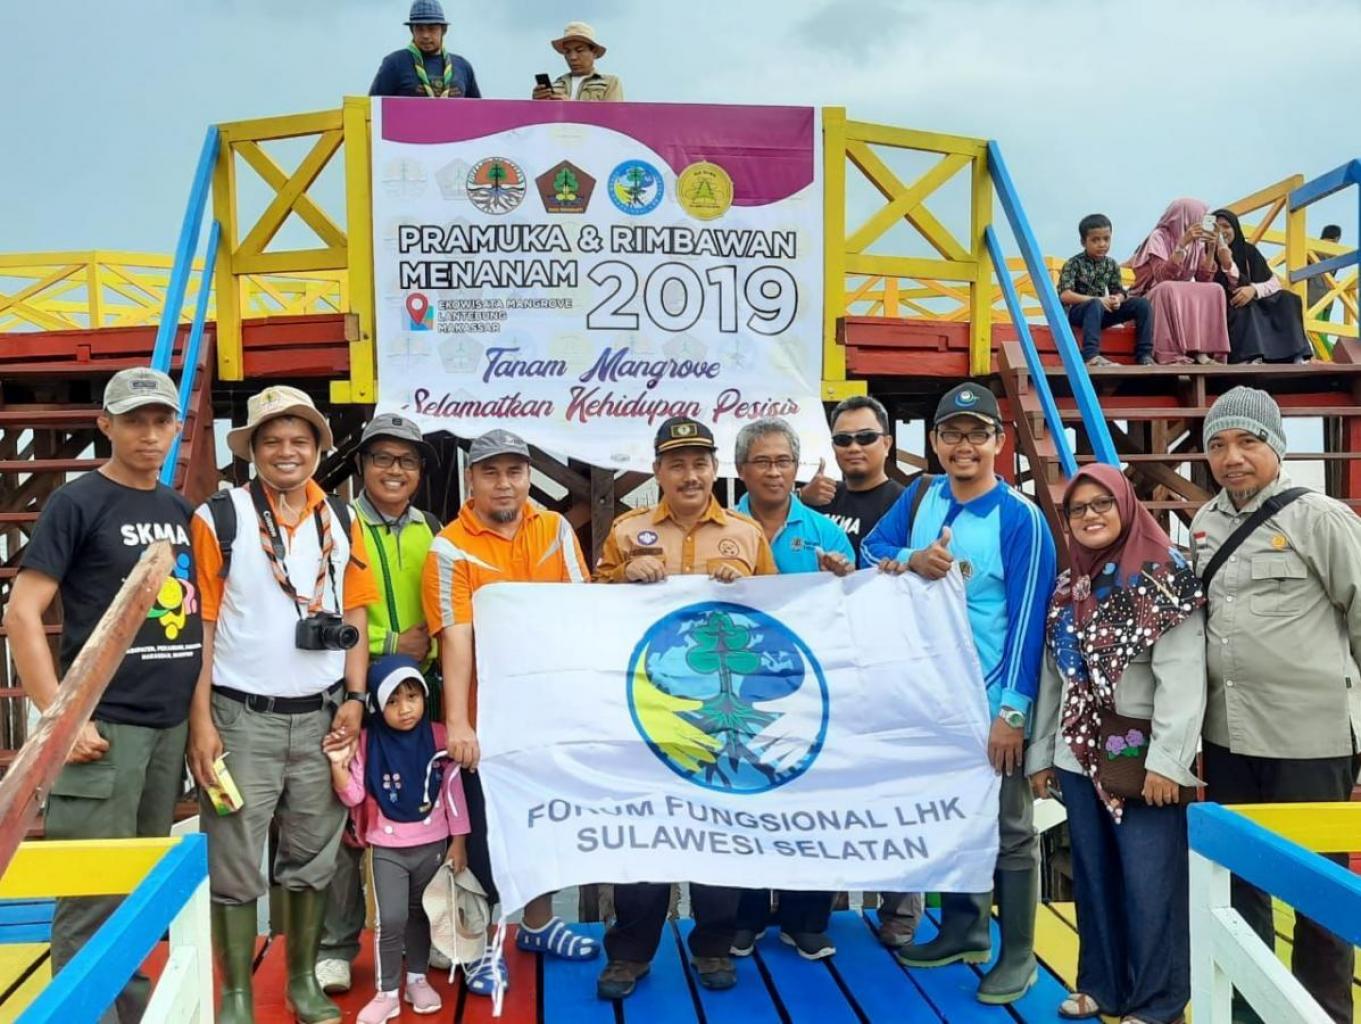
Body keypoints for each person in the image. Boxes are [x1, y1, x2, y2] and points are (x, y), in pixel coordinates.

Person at [3, 368, 202, 1024]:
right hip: (103, 728)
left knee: (139, 892)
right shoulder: (78, 502)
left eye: (161, 421)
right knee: (91, 896)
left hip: (167, 728)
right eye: (134, 421)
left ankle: (130, 1011)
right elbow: (22, 613)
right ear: (105, 425)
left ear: (176, 427)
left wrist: (197, 725)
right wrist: (60, 718)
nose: (149, 434)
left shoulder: (177, 509)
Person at [186, 385, 378, 1024]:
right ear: (252, 450)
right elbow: (203, 627)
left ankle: (302, 982)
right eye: (271, 441)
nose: (286, 451)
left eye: (299, 440)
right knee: (234, 858)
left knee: (312, 856)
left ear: (319, 449)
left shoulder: (342, 518)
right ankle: (236, 994)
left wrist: (355, 698)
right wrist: (200, 721)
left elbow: (356, 613)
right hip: (242, 717)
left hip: (323, 717)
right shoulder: (221, 517)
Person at [862, 382, 1056, 1006]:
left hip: (992, 698)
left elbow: (1029, 620)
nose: (963, 446)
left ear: (999, 441)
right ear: (935, 441)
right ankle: (963, 930)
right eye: (951, 434)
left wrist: (1012, 713)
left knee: (1011, 828)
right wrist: (912, 557)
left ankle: (1019, 953)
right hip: (932, 697)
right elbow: (871, 549)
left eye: (977, 434)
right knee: (951, 817)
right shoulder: (923, 495)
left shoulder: (1020, 517)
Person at [1192, 386, 1361, 1024]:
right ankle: (1249, 1005)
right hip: (1229, 735)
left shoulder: (1320, 518)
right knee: (1240, 879)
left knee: (1317, 890)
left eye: (1248, 442)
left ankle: (1324, 1013)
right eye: (1217, 445)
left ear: (1277, 447)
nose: (1232, 457)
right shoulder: (1204, 523)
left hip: (1309, 738)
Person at [594, 416, 777, 1000]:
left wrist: (745, 584)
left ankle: (713, 945)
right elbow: (588, 609)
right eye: (677, 464)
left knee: (718, 834)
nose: (690, 475)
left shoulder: (747, 535)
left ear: (714, 468)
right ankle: (629, 954)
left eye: (700, 463)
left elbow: (780, 620)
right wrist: (623, 575)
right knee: (644, 837)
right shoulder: (627, 531)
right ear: (658, 471)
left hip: (722, 716)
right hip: (650, 713)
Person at [421, 429, 599, 998]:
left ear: (528, 477)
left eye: (514, 471)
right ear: (470, 479)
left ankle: (539, 926)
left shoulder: (556, 528)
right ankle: (478, 946)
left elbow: (580, 614)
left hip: (547, 715)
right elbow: (455, 638)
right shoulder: (448, 547)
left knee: (544, 824)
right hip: (487, 720)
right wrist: (460, 723)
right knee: (483, 838)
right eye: (490, 472)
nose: (504, 483)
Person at [1027, 465, 1206, 1024]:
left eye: (1102, 504)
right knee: (1095, 874)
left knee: (1151, 880)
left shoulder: (1164, 578)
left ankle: (1158, 1001)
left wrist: (1169, 763)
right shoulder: (1068, 587)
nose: (1091, 516)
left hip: (1141, 756)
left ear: (1126, 506)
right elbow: (1052, 677)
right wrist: (1040, 755)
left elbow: (1183, 676)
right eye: (1078, 509)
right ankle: (1101, 986)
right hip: (1077, 753)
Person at [316, 414, 444, 995]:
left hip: (415, 692)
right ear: (362, 465)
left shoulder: (432, 528)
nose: (395, 470)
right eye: (382, 458)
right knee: (345, 814)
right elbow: (324, 605)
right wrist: (392, 644)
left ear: (420, 471)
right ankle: (337, 946)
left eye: (407, 460)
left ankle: (431, 932)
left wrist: (423, 653)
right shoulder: (336, 524)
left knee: (424, 808)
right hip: (352, 687)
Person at [799, 395, 924, 946]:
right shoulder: (817, 501)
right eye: (843, 439)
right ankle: (815, 910)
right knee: (823, 790)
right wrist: (799, 501)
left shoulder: (909, 503)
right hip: (822, 666)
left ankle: (900, 908)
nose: (854, 448)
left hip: (885, 665)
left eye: (865, 437)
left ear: (887, 443)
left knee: (892, 788)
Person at [729, 418, 853, 962]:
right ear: (741, 470)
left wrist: (844, 578)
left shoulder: (826, 533)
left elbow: (856, 608)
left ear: (796, 468)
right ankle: (746, 916)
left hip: (808, 690)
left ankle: (806, 920)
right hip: (739, 688)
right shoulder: (722, 528)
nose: (774, 472)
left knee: (812, 804)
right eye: (762, 461)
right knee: (745, 805)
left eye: (783, 461)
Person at [327, 655, 468, 1024]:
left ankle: (417, 980)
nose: (405, 709)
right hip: (387, 848)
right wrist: (339, 768)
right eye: (392, 700)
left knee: (421, 915)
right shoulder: (367, 742)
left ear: (424, 697)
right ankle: (387, 991)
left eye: (412, 697)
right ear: (377, 704)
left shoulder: (440, 737)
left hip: (433, 844)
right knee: (390, 919)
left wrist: (459, 841)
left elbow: (453, 792)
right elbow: (354, 796)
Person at [1127, 198, 1231, 365]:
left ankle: (1203, 351)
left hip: (1174, 294)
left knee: (1215, 289)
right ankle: (1169, 353)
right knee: (1167, 288)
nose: (1201, 222)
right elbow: (1162, 276)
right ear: (1185, 217)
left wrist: (1211, 250)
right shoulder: (1158, 237)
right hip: (1148, 297)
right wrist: (1182, 244)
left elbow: (1204, 279)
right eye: (1198, 217)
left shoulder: (1197, 243)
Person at [1211, 209, 1311, 365]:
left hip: (1253, 296)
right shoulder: (1207, 253)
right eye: (1217, 227)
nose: (1222, 231)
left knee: (1288, 299)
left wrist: (1253, 290)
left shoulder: (1248, 250)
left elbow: (1273, 283)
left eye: (1226, 226)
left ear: (1235, 228)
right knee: (1243, 304)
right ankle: (1251, 357)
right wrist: (1227, 264)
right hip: (1226, 305)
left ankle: (1296, 354)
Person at [1058, 214, 1154, 367]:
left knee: (1142, 304)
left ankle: (1144, 355)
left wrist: (1117, 299)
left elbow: (1119, 291)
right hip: (1078, 313)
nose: (1102, 244)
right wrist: (1096, 300)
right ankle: (1091, 356)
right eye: (1095, 240)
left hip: (1101, 312)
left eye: (1106, 239)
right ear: (1083, 242)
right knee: (1095, 303)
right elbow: (1065, 295)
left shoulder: (1111, 264)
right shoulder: (1073, 264)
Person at [369, 0, 480, 99]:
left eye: (432, 29)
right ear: (412, 30)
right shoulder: (394, 63)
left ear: (444, 30)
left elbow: (478, 111)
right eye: (420, 29)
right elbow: (372, 108)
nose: (425, 35)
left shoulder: (463, 67)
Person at [531, 22, 622, 101]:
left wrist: (570, 106)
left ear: (594, 52)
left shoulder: (610, 83)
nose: (572, 57)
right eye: (567, 52)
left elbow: (614, 114)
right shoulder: (556, 85)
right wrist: (536, 103)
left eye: (579, 51)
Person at [1307, 225, 1342, 351]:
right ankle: (1331, 353)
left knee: (1315, 332)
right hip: (1329, 296)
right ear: (1337, 237)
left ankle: (1332, 352)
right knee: (1323, 332)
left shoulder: (1314, 247)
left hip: (1313, 295)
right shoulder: (1336, 252)